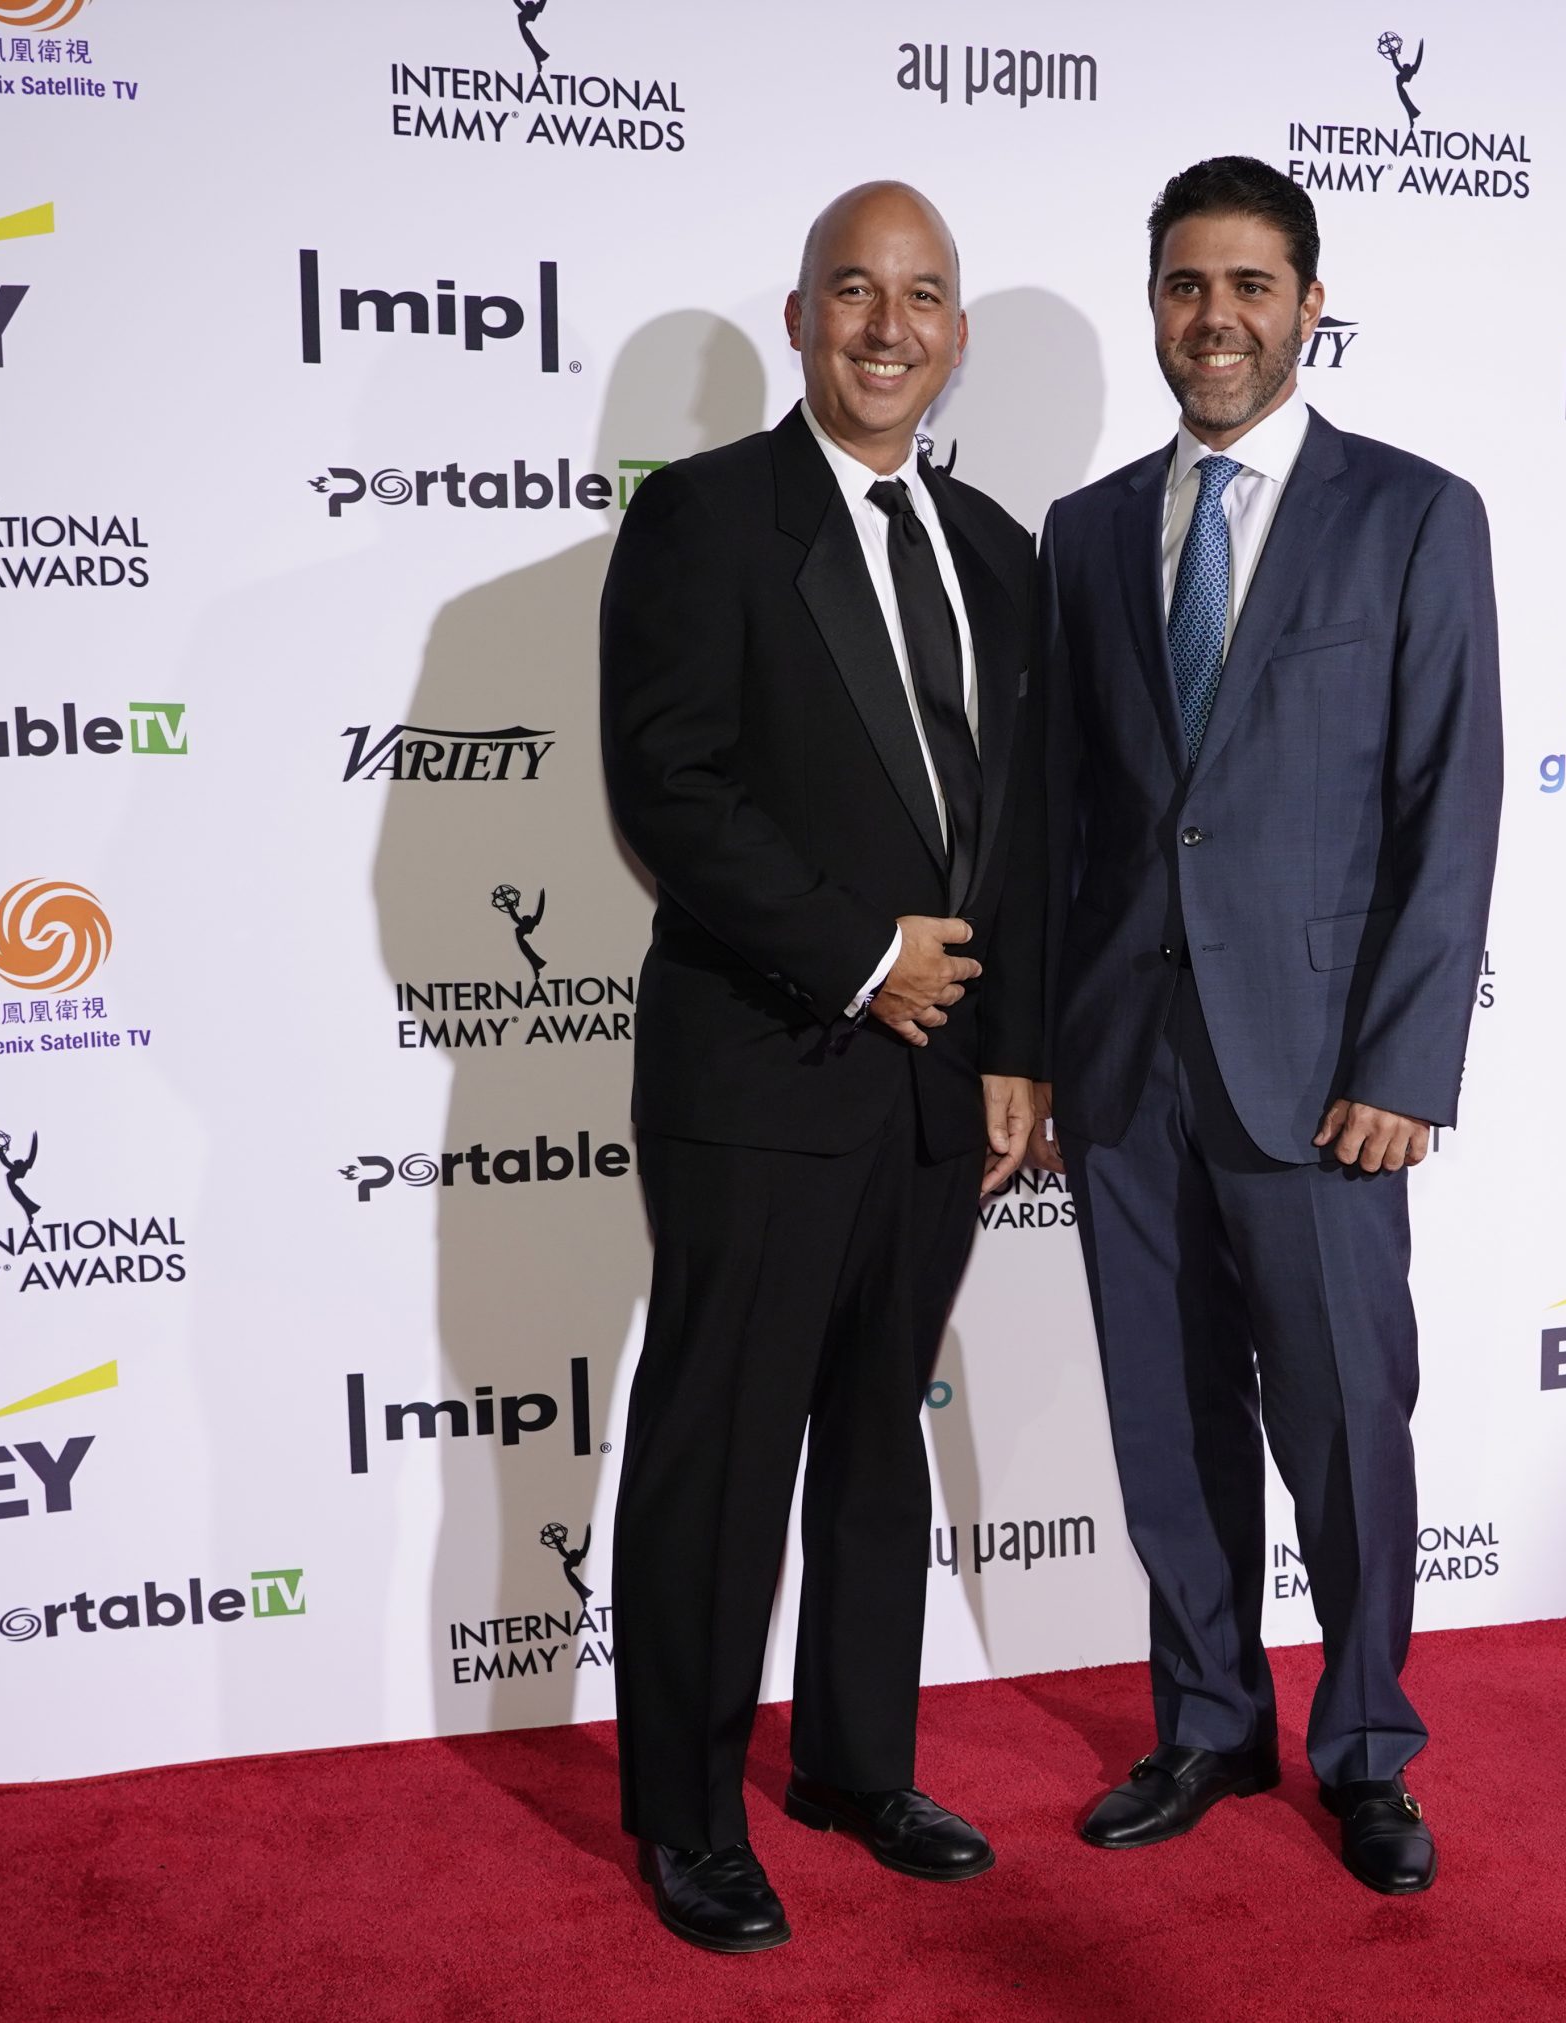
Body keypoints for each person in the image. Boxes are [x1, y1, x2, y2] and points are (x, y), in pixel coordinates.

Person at [1028, 155, 1500, 1896]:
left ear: (1311, 302)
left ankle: (1366, 1748)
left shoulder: (1413, 515)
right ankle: (1207, 1722)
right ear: (1155, 303)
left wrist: (1403, 1061)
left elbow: (1453, 805)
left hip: (1320, 1078)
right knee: (1166, 1420)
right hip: (1126, 1067)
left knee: (1344, 1423)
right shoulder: (1085, 535)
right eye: (1181, 286)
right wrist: (1040, 1048)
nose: (1211, 319)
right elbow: (1064, 820)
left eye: (1247, 286)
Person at [598, 181, 1043, 1954]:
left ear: (954, 334)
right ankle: (690, 1817)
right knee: (720, 1449)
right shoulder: (704, 520)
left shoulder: (1000, 550)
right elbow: (669, 792)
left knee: (877, 1437)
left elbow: (1025, 830)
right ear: (799, 320)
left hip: (944, 1090)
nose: (886, 326)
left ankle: (862, 1765)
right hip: (764, 1068)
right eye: (852, 291)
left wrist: (1015, 1046)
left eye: (922, 296)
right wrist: (860, 959)